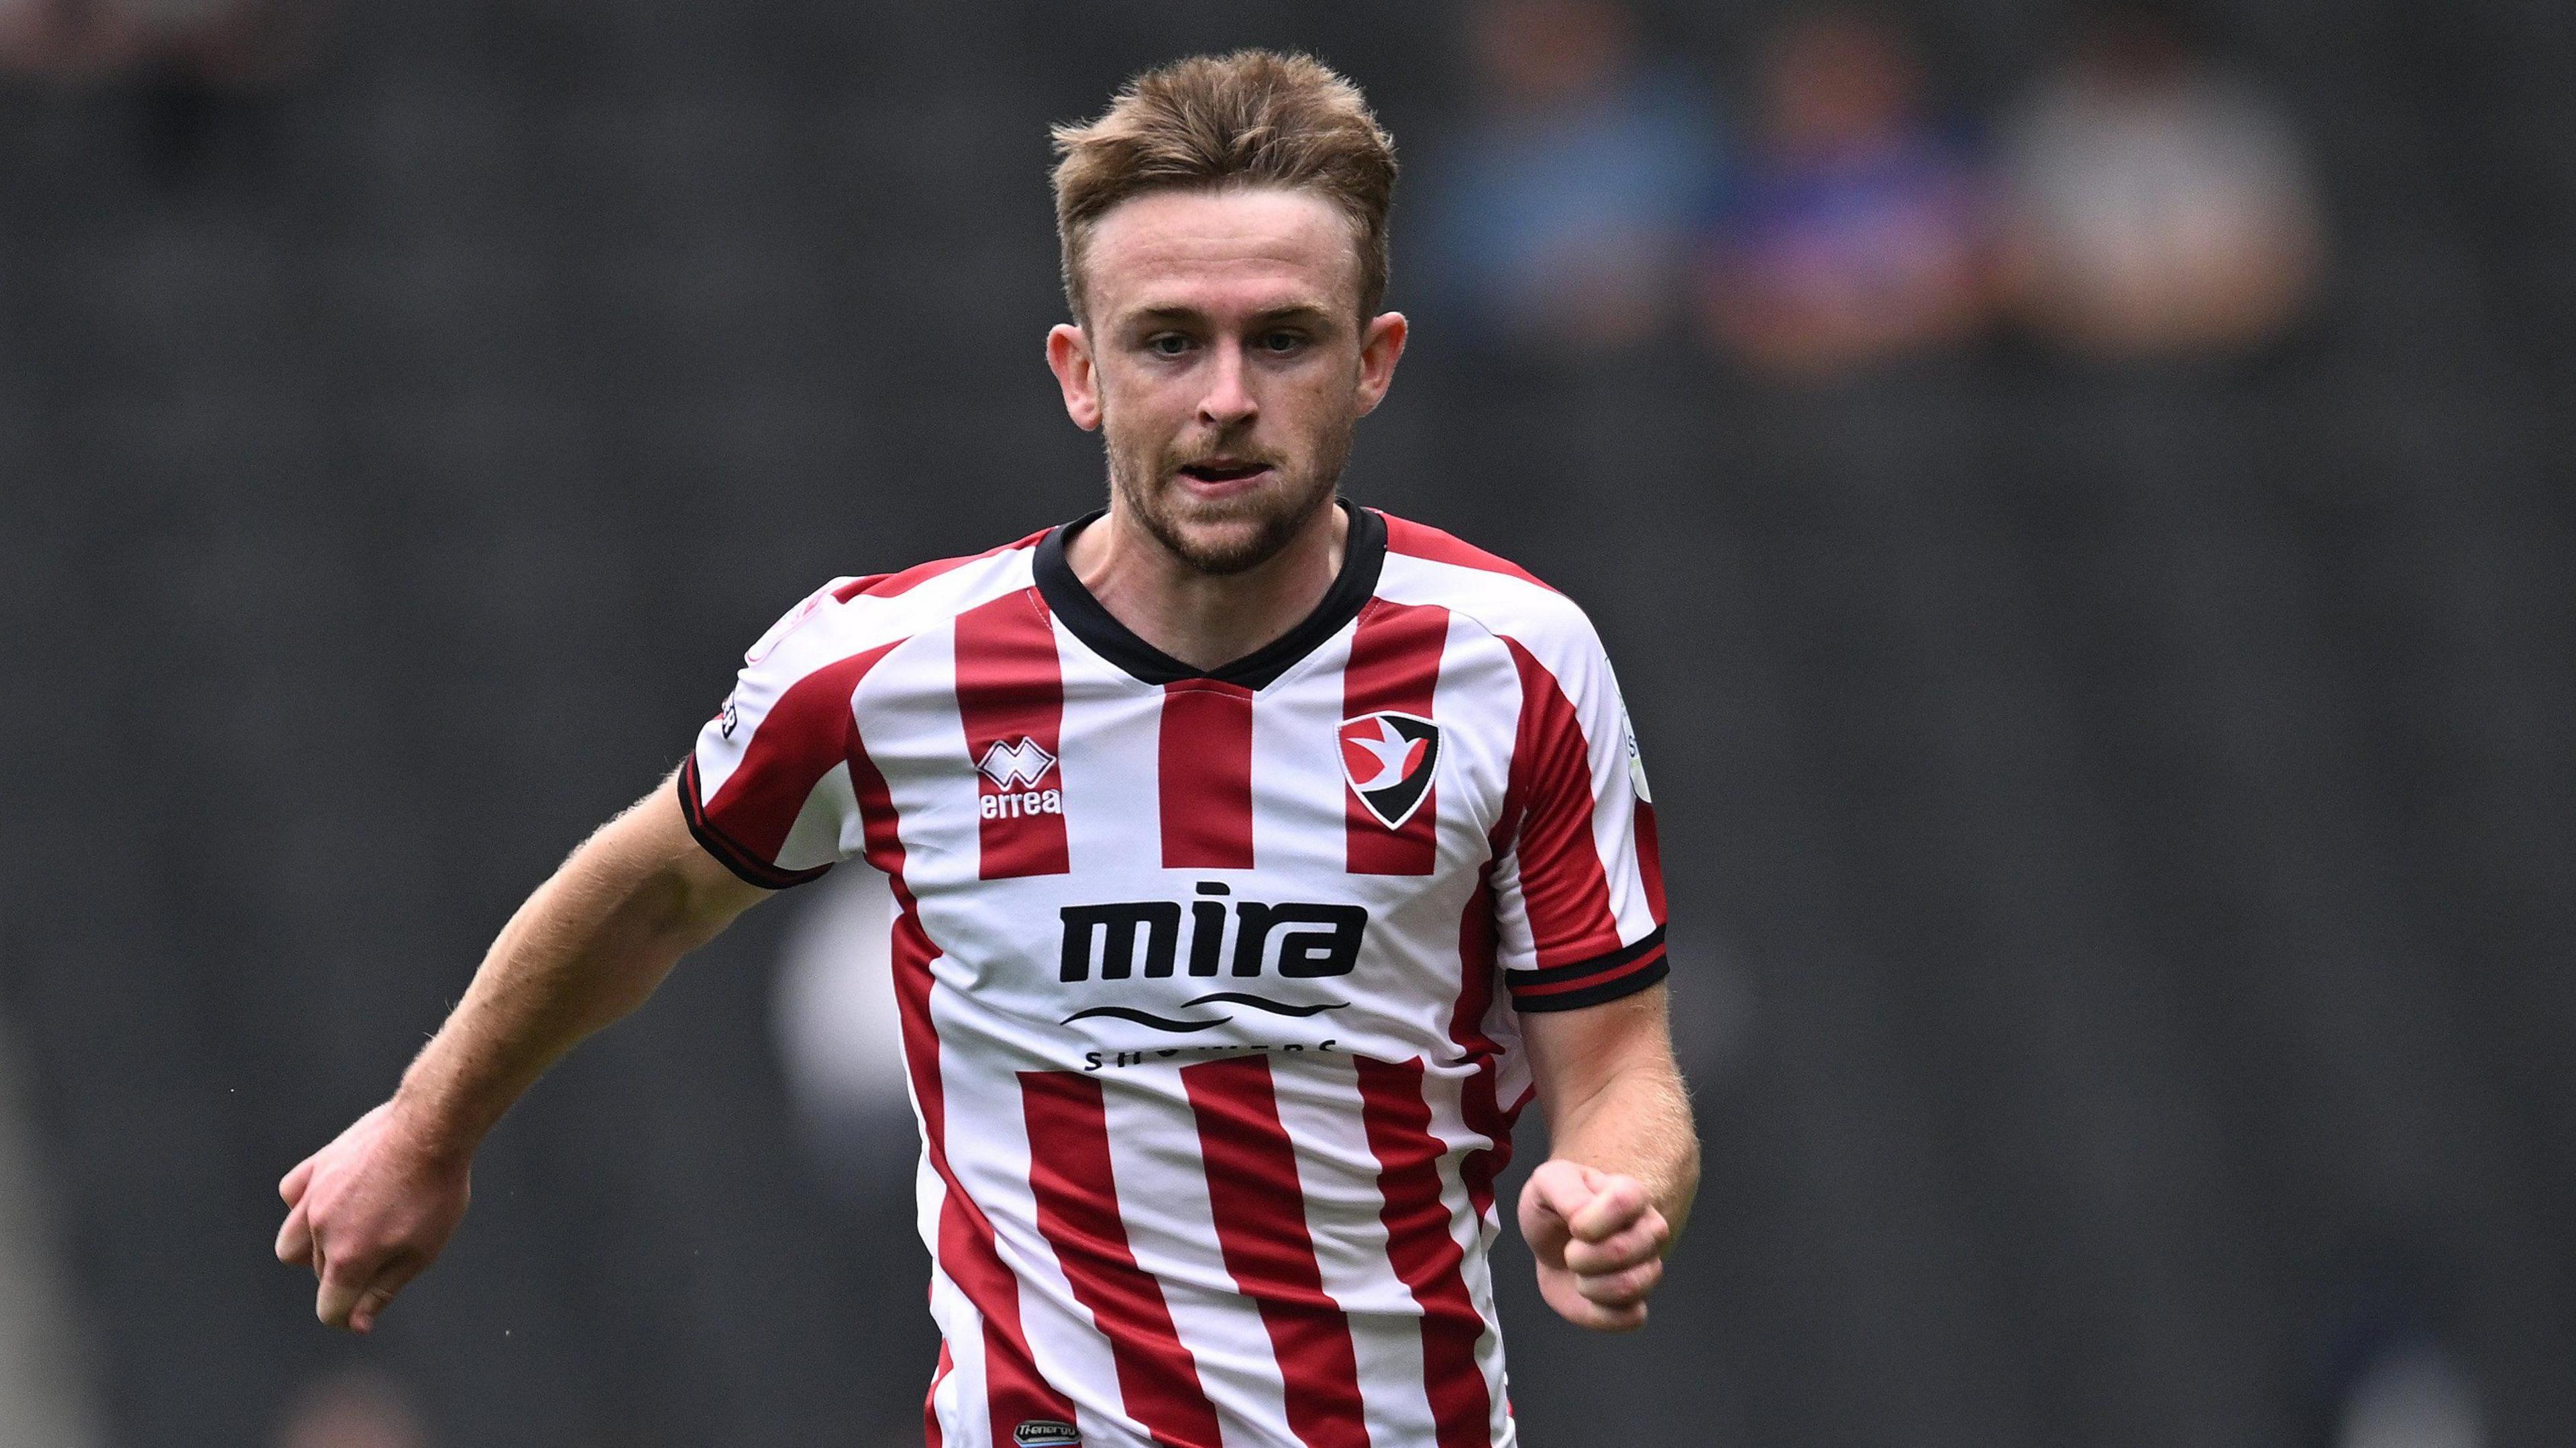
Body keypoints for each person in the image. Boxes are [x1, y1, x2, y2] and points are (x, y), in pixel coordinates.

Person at [274, 50, 1697, 1448]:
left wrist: (1617, 1193)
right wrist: (426, 1129)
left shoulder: (1516, 664)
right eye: (1167, 341)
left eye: (1282, 339)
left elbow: (1620, 1071)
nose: (1224, 395)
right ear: (1081, 373)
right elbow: (653, 892)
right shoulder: (885, 669)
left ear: (1373, 362)